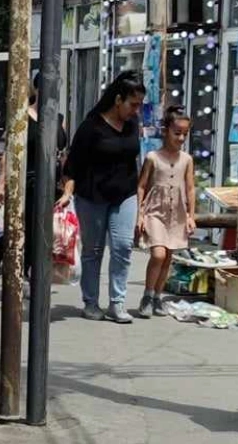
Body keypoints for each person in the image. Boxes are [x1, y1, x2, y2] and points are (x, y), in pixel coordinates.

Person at [58, 70, 145, 324]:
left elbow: (132, 159)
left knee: (122, 247)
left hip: (125, 194)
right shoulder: (91, 127)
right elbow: (72, 165)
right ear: (118, 100)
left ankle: (117, 303)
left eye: (139, 105)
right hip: (92, 196)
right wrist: (67, 192)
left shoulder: (132, 125)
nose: (136, 110)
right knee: (93, 250)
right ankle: (91, 302)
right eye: (133, 104)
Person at [0, 73, 68, 281]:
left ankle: (37, 274)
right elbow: (8, 152)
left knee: (49, 234)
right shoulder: (22, 116)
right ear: (37, 89)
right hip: (29, 183)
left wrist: (68, 186)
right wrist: (1, 184)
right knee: (31, 233)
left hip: (53, 185)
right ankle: (26, 274)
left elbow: (62, 154)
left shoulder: (59, 119)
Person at [135, 104, 196, 318]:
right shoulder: (153, 157)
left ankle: (158, 297)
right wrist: (139, 214)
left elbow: (189, 188)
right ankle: (147, 294)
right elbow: (141, 185)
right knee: (158, 254)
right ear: (166, 130)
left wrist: (191, 215)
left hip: (176, 213)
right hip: (155, 211)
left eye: (185, 134)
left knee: (168, 256)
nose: (181, 138)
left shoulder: (187, 159)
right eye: (177, 132)